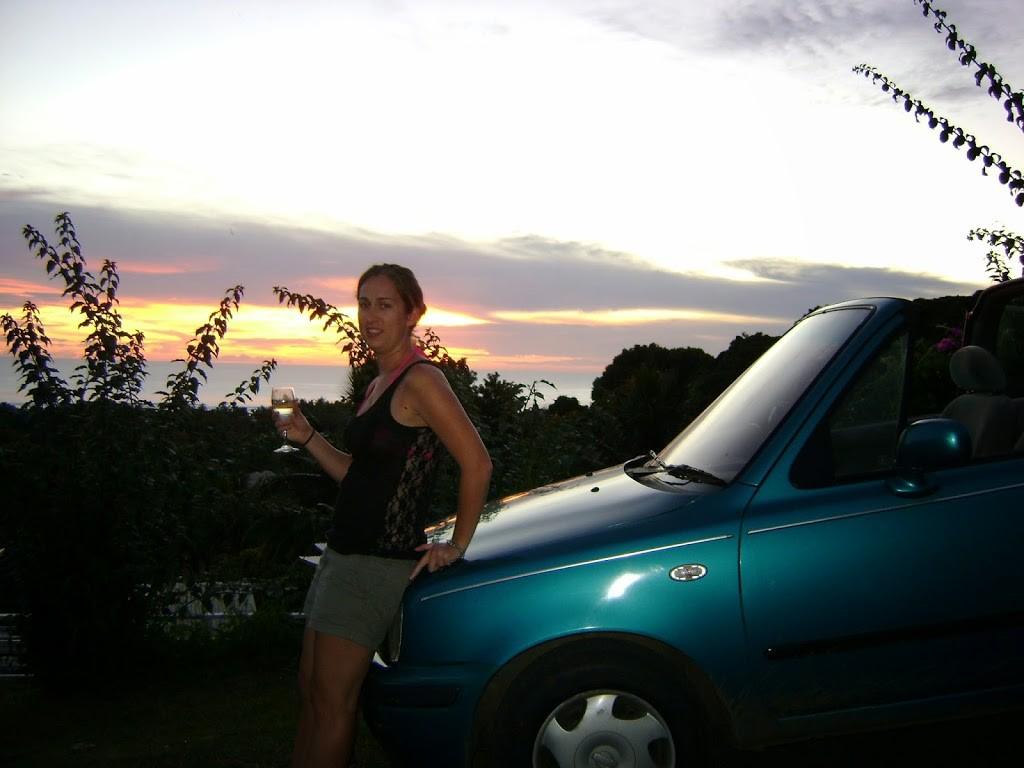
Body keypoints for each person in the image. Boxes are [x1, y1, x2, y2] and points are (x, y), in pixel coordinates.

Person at [274, 263, 492, 768]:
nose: (370, 316)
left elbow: (477, 463)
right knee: (311, 690)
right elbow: (359, 477)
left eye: (385, 305)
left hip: (374, 563)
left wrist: (456, 544)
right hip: (343, 553)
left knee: (332, 703)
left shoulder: (421, 380)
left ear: (414, 313)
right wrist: (307, 436)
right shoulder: (379, 384)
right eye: (364, 303)